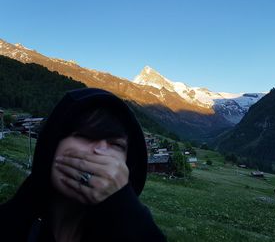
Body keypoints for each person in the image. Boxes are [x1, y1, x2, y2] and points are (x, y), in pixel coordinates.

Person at [0, 88, 166, 241]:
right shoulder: (8, 224)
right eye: (85, 136)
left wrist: (124, 208)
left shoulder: (128, 230)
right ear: (52, 145)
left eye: (116, 145)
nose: (102, 152)